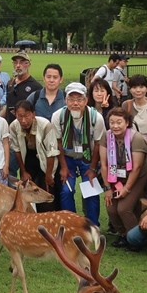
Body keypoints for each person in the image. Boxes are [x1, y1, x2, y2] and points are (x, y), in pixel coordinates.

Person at [51, 82, 105, 226]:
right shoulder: (58, 116)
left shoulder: (96, 118)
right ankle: (72, 224)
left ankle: (92, 225)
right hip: (67, 157)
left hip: (87, 158)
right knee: (66, 190)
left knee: (90, 190)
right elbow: (58, 143)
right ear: (65, 100)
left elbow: (98, 144)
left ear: (86, 100)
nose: (75, 103)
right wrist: (63, 167)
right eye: (71, 99)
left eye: (79, 99)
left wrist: (93, 168)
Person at [100, 108, 147, 245]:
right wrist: (107, 188)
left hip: (136, 177)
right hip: (115, 177)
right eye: (112, 122)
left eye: (119, 122)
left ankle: (136, 239)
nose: (115, 126)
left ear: (127, 123)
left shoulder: (136, 138)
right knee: (111, 208)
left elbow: (137, 167)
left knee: (124, 208)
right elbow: (104, 165)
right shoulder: (106, 136)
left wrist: (126, 189)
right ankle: (124, 235)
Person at [10, 100, 59, 212]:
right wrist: (23, 171)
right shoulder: (13, 126)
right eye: (20, 116)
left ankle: (48, 223)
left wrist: (49, 174)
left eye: (27, 116)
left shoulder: (45, 125)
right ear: (15, 115)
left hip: (46, 161)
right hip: (28, 160)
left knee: (46, 194)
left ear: (33, 114)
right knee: (31, 194)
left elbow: (51, 152)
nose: (23, 120)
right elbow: (17, 150)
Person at [121, 75, 147, 141]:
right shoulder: (126, 105)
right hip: (130, 145)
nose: (138, 90)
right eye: (134, 87)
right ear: (130, 89)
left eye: (141, 87)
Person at [5, 51, 41, 122]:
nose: (18, 65)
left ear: (28, 64)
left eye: (21, 62)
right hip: (10, 126)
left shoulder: (36, 86)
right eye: (15, 62)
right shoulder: (10, 83)